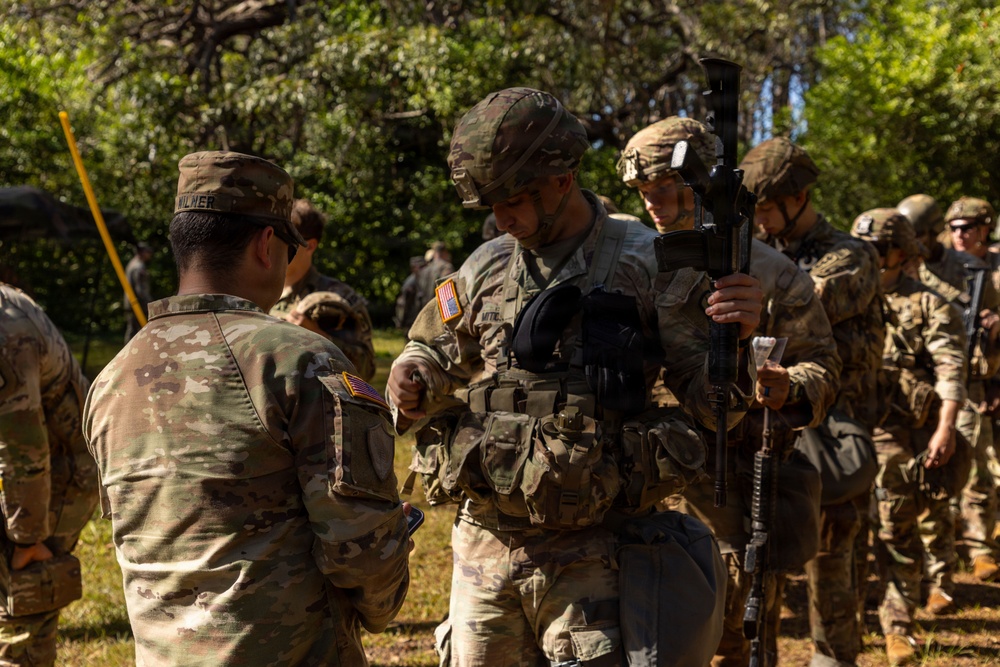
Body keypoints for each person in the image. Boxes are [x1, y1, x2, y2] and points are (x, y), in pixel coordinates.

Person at [389, 87, 763, 667]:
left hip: (598, 552)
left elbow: (712, 404)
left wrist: (734, 343)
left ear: (562, 181)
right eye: (492, 203)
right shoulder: (485, 264)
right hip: (485, 540)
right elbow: (429, 349)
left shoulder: (648, 261)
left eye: (515, 198)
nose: (501, 217)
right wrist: (410, 373)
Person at [83, 151, 410, 666]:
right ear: (266, 244)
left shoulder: (110, 379)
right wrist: (384, 596)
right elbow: (363, 555)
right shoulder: (298, 360)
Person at [618, 117, 842, 667]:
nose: (653, 201)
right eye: (642, 192)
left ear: (701, 184)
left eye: (664, 188)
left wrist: (786, 384)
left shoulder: (770, 273)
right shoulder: (620, 260)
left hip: (734, 487)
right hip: (638, 481)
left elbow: (823, 366)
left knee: (733, 638)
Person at [741, 137, 885, 667]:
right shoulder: (764, 253)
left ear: (796, 197)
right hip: (775, 434)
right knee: (763, 574)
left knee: (835, 576)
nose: (757, 219)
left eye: (763, 207)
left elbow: (800, 299)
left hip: (835, 435)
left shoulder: (851, 255)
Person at [850, 209, 968, 667]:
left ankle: (899, 628)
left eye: (875, 250)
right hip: (846, 431)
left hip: (896, 435)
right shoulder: (846, 297)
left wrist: (945, 428)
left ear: (899, 253)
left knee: (895, 528)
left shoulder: (929, 304)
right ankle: (851, 625)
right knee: (846, 531)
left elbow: (950, 370)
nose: (868, 258)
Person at [898, 194, 1000, 606]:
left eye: (968, 228)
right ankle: (930, 571)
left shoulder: (981, 271)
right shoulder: (907, 264)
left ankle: (973, 554)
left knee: (971, 467)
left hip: (969, 382)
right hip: (916, 385)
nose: (960, 235)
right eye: (954, 229)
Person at [0, 282, 99, 666]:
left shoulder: (7, 331)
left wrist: (28, 540)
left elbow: (23, 449)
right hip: (19, 460)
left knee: (22, 615)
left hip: (56, 476)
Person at [270, 198, 377, 381]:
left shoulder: (340, 298)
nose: (272, 244)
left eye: (284, 238)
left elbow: (367, 369)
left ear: (309, 246)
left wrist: (319, 339)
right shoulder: (254, 291)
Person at [123, 241, 154, 342]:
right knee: (140, 331)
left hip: (130, 302)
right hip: (138, 304)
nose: (150, 254)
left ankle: (127, 354)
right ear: (142, 252)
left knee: (132, 330)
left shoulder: (131, 264)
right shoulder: (139, 267)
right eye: (147, 252)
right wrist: (150, 304)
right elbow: (141, 290)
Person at [394, 255, 427, 332]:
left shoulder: (422, 280)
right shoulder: (410, 283)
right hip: (411, 321)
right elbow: (403, 303)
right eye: (421, 267)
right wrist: (400, 321)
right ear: (413, 268)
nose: (424, 269)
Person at [416, 240, 454, 305]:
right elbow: (447, 292)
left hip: (425, 309)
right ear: (444, 252)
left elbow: (419, 294)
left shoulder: (424, 270)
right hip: (439, 308)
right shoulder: (446, 267)